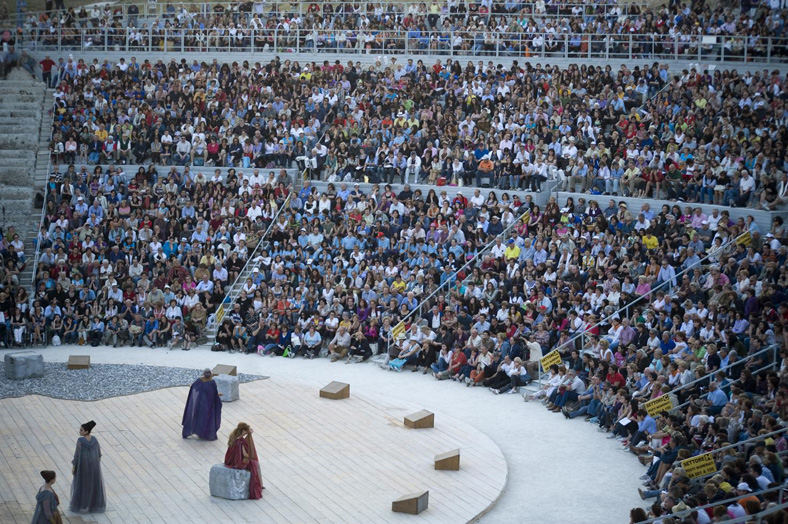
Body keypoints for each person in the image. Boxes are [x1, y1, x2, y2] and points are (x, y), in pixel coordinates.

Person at [70, 421, 106, 513]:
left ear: (86, 431)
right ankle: (94, 504)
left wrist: (74, 465)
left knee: (83, 484)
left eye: (81, 430)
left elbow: (77, 454)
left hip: (83, 466)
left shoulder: (80, 441)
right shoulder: (94, 439)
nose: (79, 431)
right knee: (94, 483)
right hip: (94, 466)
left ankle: (83, 504)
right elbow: (98, 453)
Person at [224, 422, 264, 500]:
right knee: (256, 464)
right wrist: (251, 456)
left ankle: (261, 484)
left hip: (230, 460)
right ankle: (260, 484)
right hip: (237, 462)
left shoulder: (234, 437)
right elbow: (245, 455)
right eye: (246, 431)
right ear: (243, 431)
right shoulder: (240, 442)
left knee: (255, 464)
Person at [182, 368, 223, 440]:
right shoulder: (212, 383)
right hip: (209, 405)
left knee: (198, 418)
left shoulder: (199, 381)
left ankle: (189, 432)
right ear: (210, 375)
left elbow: (194, 388)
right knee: (207, 420)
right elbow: (214, 394)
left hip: (199, 404)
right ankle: (206, 434)